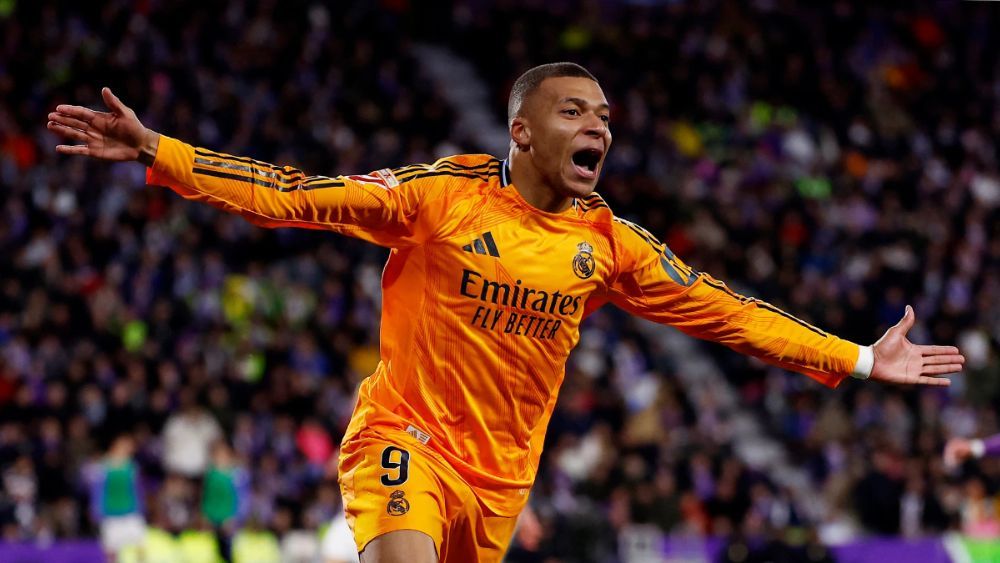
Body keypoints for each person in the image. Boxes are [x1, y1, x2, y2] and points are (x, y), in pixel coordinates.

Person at [47, 62, 965, 562]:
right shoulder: (440, 197)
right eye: (575, 111)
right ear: (522, 129)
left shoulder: (611, 244)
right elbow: (292, 192)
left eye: (604, 114)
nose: (598, 127)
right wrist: (160, 152)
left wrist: (854, 357)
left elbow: (729, 312)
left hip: (500, 488)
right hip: (404, 438)